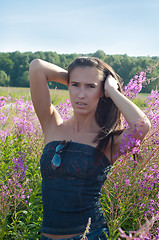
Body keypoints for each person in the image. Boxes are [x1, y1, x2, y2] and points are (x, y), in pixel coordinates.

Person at [29, 57, 151, 240]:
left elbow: (142, 126)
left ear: (101, 92)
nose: (81, 94)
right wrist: (76, 79)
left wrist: (110, 89)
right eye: (75, 85)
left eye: (90, 87)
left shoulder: (109, 141)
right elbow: (37, 67)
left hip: (90, 235)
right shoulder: (52, 124)